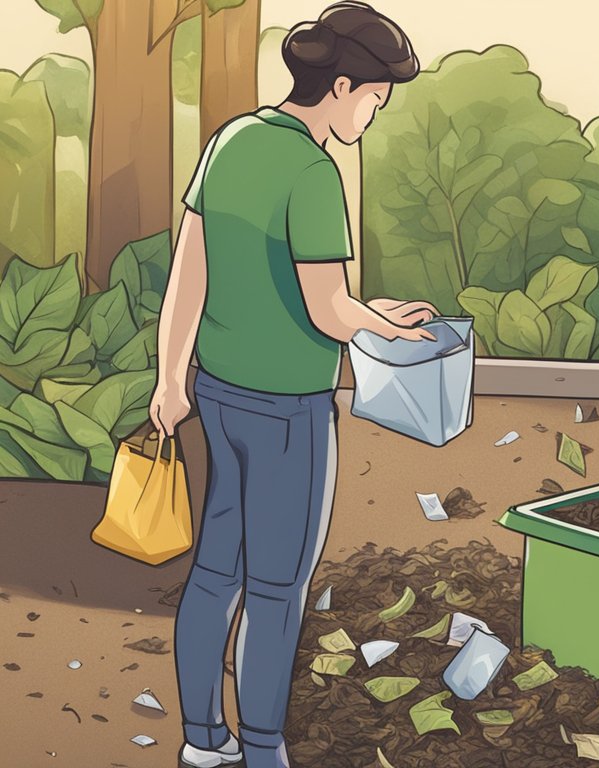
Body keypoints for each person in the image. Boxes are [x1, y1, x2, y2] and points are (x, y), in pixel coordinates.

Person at [148, 4, 433, 766]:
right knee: (277, 589)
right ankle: (265, 750)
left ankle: (203, 742)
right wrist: (387, 327)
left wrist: (169, 377)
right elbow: (327, 308)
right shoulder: (313, 172)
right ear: (341, 86)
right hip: (288, 413)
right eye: (374, 98)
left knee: (214, 574)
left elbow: (189, 269)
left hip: (217, 392)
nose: (372, 114)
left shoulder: (232, 140)